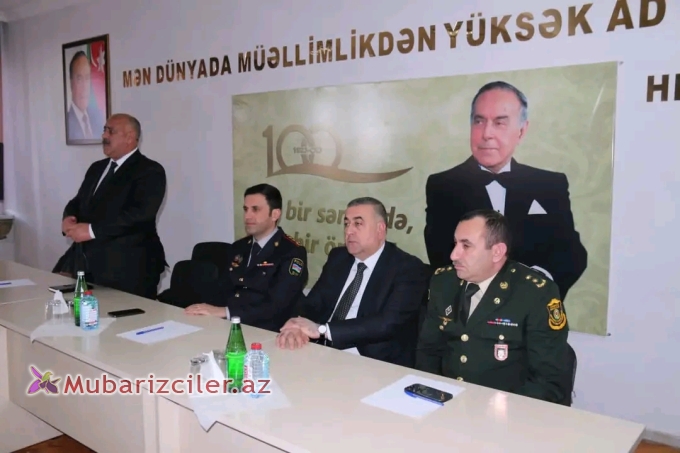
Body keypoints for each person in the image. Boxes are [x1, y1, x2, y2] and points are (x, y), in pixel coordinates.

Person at [423, 81, 587, 300]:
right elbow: (442, 256)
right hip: (469, 311)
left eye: (499, 123)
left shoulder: (549, 184)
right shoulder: (443, 186)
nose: (487, 133)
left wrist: (537, 286)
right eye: (479, 121)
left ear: (521, 130)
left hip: (534, 309)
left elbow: (571, 252)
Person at [416, 209, 570, 403]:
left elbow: (549, 380)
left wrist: (500, 411)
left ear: (497, 252)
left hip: (507, 409)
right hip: (446, 401)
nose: (454, 255)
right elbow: (428, 351)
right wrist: (433, 397)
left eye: (466, 245)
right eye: (455, 243)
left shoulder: (536, 293)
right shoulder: (444, 282)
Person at [277, 197, 430, 368]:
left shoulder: (407, 267)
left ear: (380, 229)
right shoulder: (338, 257)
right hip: (323, 351)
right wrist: (296, 323)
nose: (349, 231)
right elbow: (314, 302)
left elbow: (387, 323)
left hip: (373, 361)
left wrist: (323, 330)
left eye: (358, 224)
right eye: (346, 223)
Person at [53, 113, 167, 299]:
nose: (104, 136)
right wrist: (69, 217)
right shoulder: (97, 168)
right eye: (104, 130)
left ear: (129, 137)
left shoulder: (149, 171)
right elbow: (79, 201)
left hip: (128, 269)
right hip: (88, 264)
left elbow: (140, 214)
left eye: (110, 131)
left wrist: (91, 230)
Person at [184, 184, 308, 333]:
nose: (247, 216)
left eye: (255, 209)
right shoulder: (239, 247)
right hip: (228, 326)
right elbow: (223, 289)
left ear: (275, 214)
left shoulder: (292, 252)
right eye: (245, 209)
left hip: (266, 331)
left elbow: (277, 306)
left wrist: (226, 312)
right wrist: (206, 310)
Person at [66, 51, 105, 140]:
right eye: (79, 79)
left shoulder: (98, 117)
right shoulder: (66, 122)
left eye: (87, 78)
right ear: (71, 83)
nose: (84, 87)